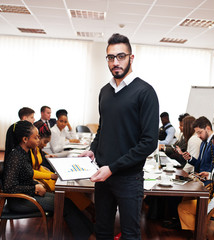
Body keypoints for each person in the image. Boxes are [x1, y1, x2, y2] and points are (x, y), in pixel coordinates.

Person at [79, 33, 159, 239]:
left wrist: (112, 168)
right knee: (102, 231)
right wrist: (93, 149)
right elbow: (103, 129)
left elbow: (149, 142)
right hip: (102, 176)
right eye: (111, 57)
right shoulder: (105, 91)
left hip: (129, 179)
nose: (115, 62)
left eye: (121, 56)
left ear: (131, 58)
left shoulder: (145, 92)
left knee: (130, 234)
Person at [3, 120, 93, 239]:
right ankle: (88, 237)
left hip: (28, 195)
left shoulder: (23, 154)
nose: (38, 141)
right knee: (64, 205)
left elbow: (25, 177)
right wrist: (34, 188)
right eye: (35, 138)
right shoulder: (16, 156)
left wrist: (34, 186)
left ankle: (91, 231)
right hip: (21, 201)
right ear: (25, 139)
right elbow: (9, 187)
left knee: (67, 201)